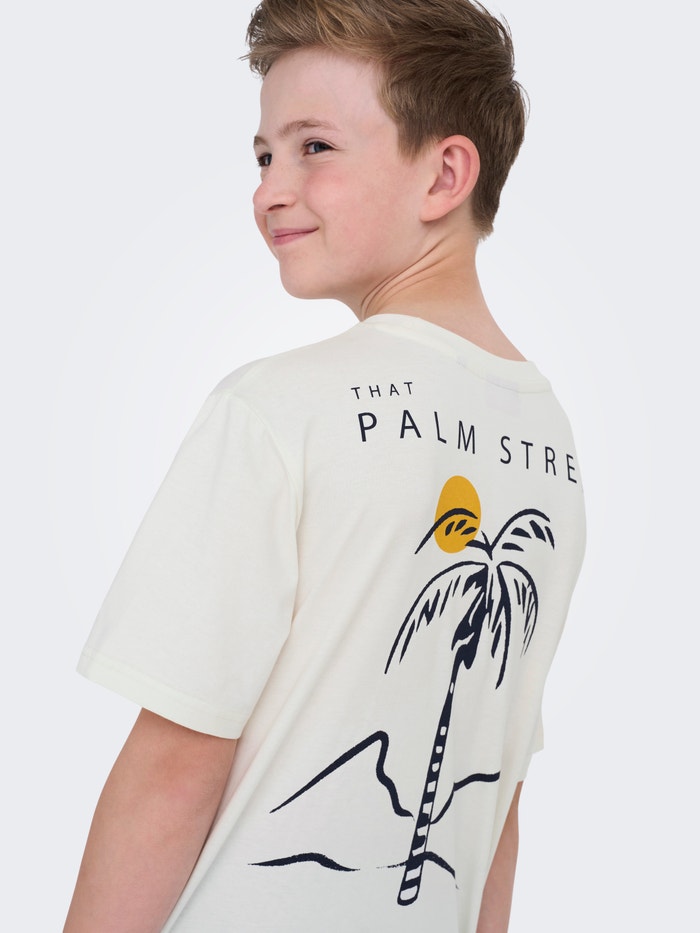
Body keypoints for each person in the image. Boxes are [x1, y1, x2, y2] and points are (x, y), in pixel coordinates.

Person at [64, 1, 585, 931]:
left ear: (445, 174)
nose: (270, 190)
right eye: (264, 156)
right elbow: (494, 792)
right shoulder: (549, 443)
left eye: (315, 148)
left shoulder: (277, 408)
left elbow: (175, 764)